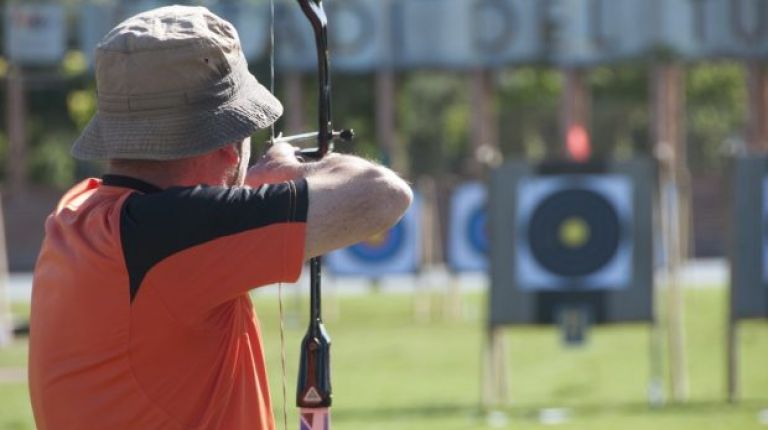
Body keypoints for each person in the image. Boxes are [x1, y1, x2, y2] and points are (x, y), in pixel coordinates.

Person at [28, 5, 412, 430]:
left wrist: (252, 187)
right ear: (230, 145)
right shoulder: (167, 242)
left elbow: (183, 219)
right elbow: (384, 194)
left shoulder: (78, 213)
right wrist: (296, 173)